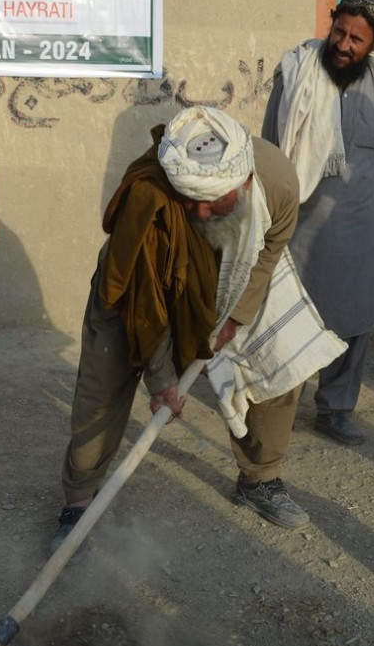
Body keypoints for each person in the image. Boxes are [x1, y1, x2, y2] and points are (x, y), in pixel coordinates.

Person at [52, 106, 345, 554]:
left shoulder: (278, 183)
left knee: (278, 358)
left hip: (242, 272)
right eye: (192, 199)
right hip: (136, 289)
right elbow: (148, 307)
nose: (201, 210)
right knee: (102, 384)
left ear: (245, 182)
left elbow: (268, 253)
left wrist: (237, 316)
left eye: (215, 200)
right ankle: (79, 500)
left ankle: (259, 478)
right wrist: (164, 382)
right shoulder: (151, 204)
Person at [261, 0, 374, 447]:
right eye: (339, 32)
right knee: (289, 311)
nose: (343, 45)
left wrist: (353, 187)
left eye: (356, 39)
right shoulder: (297, 72)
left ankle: (336, 408)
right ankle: (278, 404)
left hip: (356, 223)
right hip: (298, 223)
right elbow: (270, 144)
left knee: (355, 315)